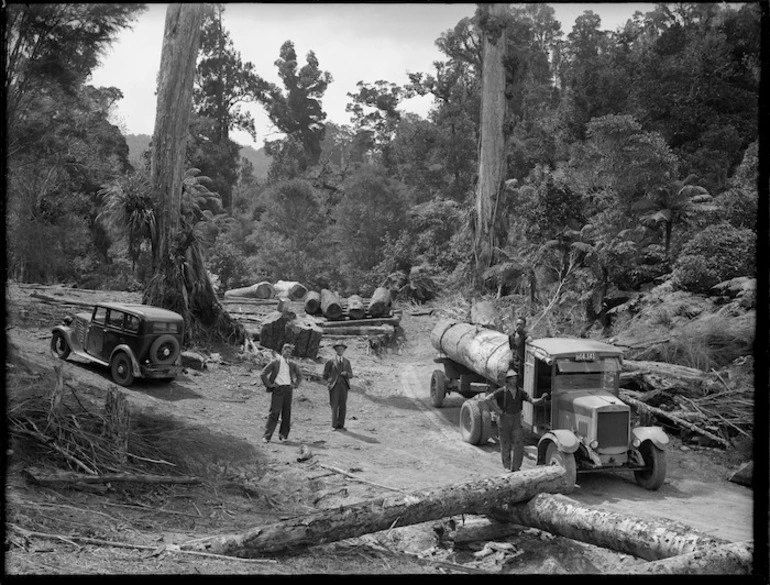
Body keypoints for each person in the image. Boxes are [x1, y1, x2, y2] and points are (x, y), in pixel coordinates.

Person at [483, 369, 549, 472]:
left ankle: (516, 467)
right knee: (505, 444)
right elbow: (487, 399)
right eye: (512, 378)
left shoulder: (520, 392)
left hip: (516, 420)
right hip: (504, 420)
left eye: (515, 378)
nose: (514, 380)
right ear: (508, 380)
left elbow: (531, 401)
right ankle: (507, 467)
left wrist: (541, 399)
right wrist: (498, 411)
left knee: (519, 445)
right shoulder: (501, 391)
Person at [260, 343, 303, 443]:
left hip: (288, 389)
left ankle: (283, 436)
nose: (287, 353)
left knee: (286, 413)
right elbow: (263, 374)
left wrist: (295, 384)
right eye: (286, 351)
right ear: (282, 351)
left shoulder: (292, 364)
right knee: (274, 412)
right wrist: (270, 385)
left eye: (289, 352)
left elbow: (300, 375)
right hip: (278, 389)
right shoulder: (275, 362)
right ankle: (267, 436)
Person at [323, 342, 353, 431]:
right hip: (334, 386)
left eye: (342, 349)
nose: (340, 350)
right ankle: (334, 425)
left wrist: (346, 373)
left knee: (343, 405)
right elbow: (325, 374)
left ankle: (341, 424)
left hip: (344, 385)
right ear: (335, 350)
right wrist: (330, 382)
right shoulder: (331, 361)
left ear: (344, 350)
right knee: (334, 405)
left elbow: (351, 374)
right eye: (338, 349)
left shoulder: (347, 362)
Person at [508, 316, 531, 388]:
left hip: (522, 363)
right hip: (514, 362)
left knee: (521, 382)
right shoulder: (511, 336)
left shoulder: (526, 336)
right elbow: (512, 348)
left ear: (524, 326)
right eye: (517, 324)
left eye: (520, 324)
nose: (518, 326)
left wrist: (529, 339)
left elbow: (530, 340)